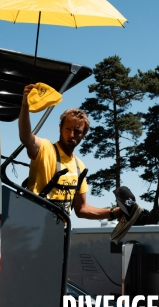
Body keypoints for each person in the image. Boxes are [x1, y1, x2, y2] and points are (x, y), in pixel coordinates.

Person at [19, 84, 145, 234]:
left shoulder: (79, 166)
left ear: (83, 134)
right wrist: (25, 106)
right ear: (60, 128)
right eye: (68, 129)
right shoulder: (46, 149)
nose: (71, 135)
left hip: (60, 234)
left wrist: (115, 212)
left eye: (77, 131)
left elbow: (82, 209)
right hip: (33, 230)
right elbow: (26, 138)